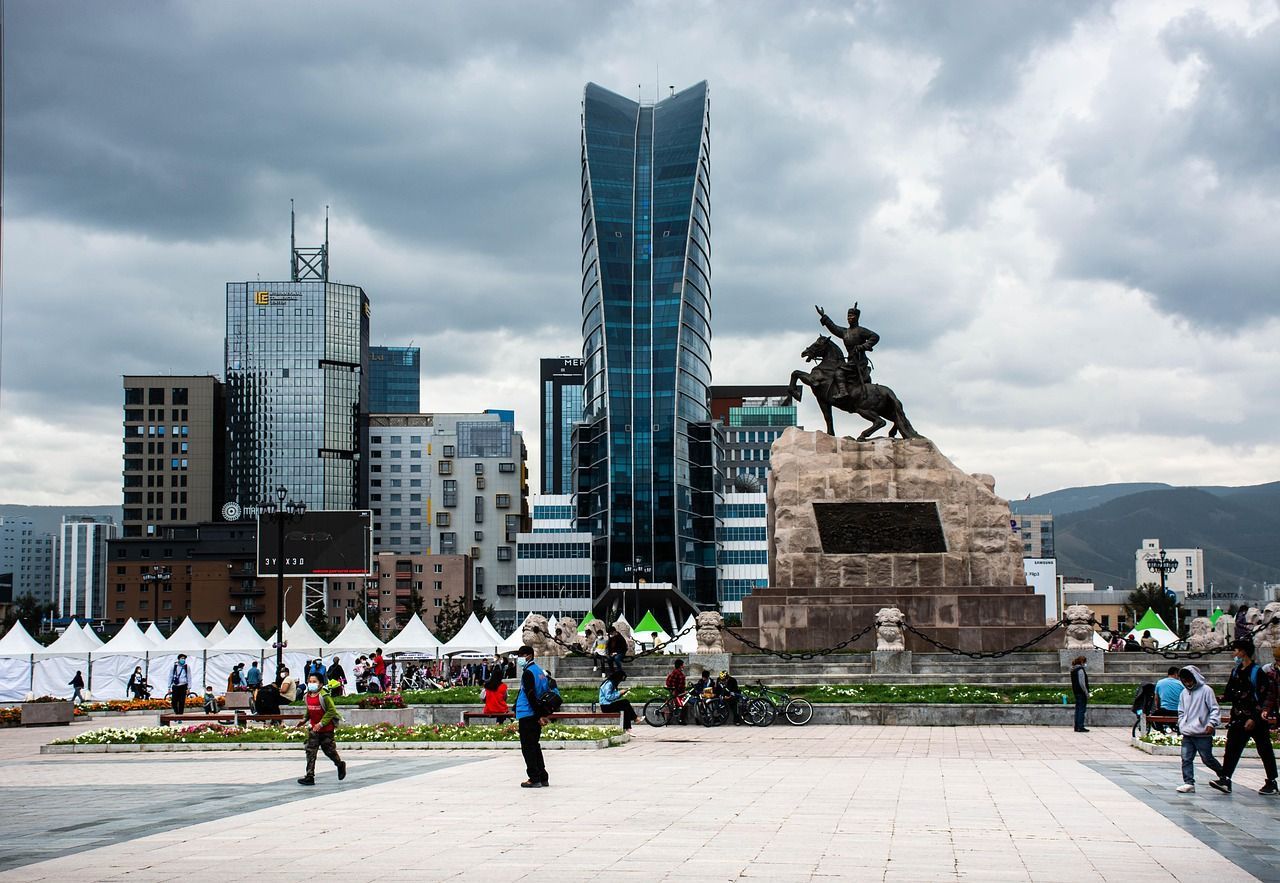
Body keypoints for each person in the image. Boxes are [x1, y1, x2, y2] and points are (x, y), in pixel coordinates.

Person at [1210, 638, 1278, 795]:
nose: (1234, 653)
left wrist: (1254, 718)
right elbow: (1229, 693)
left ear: (1243, 652)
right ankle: (1225, 779)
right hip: (1238, 718)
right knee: (1231, 749)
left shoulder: (1257, 672)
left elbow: (1264, 697)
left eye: (1236, 650)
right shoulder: (1236, 671)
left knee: (1264, 750)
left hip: (1255, 719)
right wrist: (1217, 698)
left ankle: (1272, 781)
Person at [1176, 665, 1224, 793]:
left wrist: (1211, 723)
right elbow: (1181, 711)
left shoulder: (1206, 691)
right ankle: (1188, 782)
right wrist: (1182, 723)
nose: (1187, 684)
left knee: (1207, 758)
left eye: (1189, 680)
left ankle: (1223, 775)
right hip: (1188, 732)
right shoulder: (1184, 693)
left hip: (1203, 732)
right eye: (1184, 681)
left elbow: (1214, 708)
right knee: (1186, 758)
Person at [816, 302, 879, 391]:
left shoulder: (861, 331)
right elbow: (834, 327)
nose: (849, 318)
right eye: (848, 316)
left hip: (859, 361)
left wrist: (863, 346)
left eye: (851, 316)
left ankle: (843, 392)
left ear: (856, 317)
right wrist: (823, 316)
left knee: (839, 372)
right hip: (850, 361)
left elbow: (875, 336)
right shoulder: (845, 332)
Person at [296, 674, 346, 786]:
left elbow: (331, 710)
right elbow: (309, 710)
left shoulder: (324, 696)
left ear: (321, 684)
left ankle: (339, 764)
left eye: (314, 681)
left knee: (329, 751)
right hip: (314, 730)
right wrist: (304, 719)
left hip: (326, 730)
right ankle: (309, 776)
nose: (311, 684)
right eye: (310, 681)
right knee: (310, 751)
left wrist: (321, 723)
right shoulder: (307, 696)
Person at [514, 644, 550, 788]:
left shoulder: (528, 672)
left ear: (528, 656)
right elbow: (544, 692)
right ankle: (543, 776)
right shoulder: (539, 671)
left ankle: (534, 778)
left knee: (528, 747)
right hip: (534, 713)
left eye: (520, 656)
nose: (519, 659)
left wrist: (538, 715)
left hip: (528, 713)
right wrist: (542, 713)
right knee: (534, 746)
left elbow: (530, 695)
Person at [1070, 655, 1090, 732]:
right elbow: (1082, 683)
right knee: (1081, 710)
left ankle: (1076, 726)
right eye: (1085, 662)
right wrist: (1086, 692)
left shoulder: (1073, 669)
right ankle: (1080, 726)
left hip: (1076, 691)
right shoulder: (1080, 670)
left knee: (1078, 709)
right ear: (1082, 662)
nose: (1085, 664)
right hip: (1081, 692)